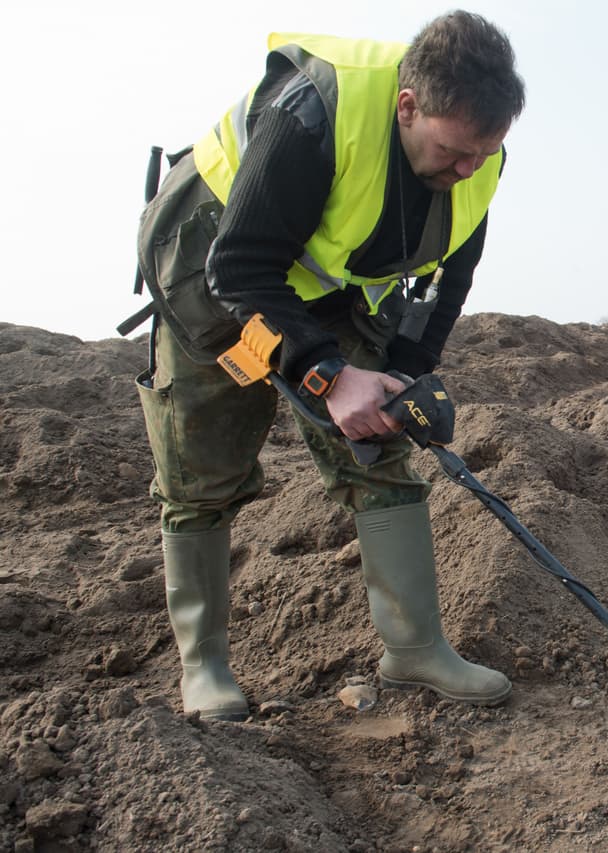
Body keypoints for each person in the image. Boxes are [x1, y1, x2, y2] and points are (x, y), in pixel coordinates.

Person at [133, 12, 526, 721]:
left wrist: (405, 370)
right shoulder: (314, 112)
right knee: (201, 470)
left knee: (380, 446)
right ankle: (205, 666)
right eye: (453, 150)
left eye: (484, 152)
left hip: (328, 287)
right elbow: (241, 264)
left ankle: (413, 647)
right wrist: (331, 376)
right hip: (216, 274)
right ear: (408, 106)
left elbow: (452, 279)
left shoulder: (479, 156)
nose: (468, 168)